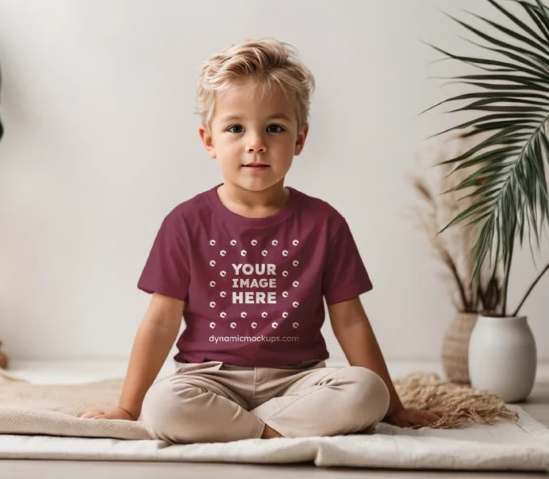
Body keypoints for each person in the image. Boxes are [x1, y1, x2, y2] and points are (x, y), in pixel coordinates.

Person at [80, 38, 441, 443]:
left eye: (274, 128)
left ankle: (240, 429)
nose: (256, 142)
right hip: (210, 380)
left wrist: (393, 406)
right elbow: (161, 320)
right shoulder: (185, 222)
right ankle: (277, 431)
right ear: (209, 141)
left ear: (299, 140)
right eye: (236, 128)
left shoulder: (325, 223)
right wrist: (128, 408)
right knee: (163, 405)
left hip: (298, 381)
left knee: (365, 392)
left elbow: (351, 319)